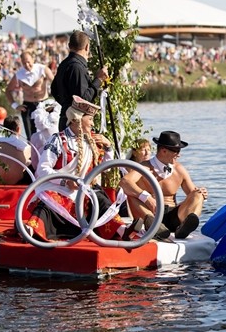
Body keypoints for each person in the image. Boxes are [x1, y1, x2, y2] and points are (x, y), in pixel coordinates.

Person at [24, 96, 142, 241]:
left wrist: (108, 147)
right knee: (49, 202)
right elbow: (42, 169)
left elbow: (105, 168)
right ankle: (31, 230)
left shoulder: (93, 141)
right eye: (90, 119)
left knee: (101, 199)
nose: (93, 124)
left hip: (85, 189)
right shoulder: (58, 140)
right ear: (77, 119)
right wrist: (65, 182)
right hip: (60, 188)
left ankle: (123, 231)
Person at [120, 131, 207, 240]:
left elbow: (192, 194)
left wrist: (201, 193)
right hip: (150, 214)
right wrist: (146, 198)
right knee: (131, 193)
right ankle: (153, 225)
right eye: (176, 151)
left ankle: (185, 227)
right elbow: (124, 182)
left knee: (197, 195)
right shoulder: (144, 167)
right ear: (164, 151)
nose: (179, 154)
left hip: (173, 217)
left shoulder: (179, 169)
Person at [50, 31, 109, 129]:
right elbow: (82, 101)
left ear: (69, 46)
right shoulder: (76, 67)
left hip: (66, 119)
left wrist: (66, 105)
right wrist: (98, 80)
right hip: (76, 124)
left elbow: (54, 90)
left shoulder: (64, 64)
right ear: (87, 47)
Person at [5, 51, 54, 137]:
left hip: (44, 103)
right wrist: (15, 105)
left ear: (33, 59)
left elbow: (55, 83)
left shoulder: (42, 69)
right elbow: (8, 90)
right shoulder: (19, 75)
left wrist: (56, 101)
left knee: (49, 133)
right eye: (24, 63)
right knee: (31, 135)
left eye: (28, 62)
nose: (27, 65)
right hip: (28, 105)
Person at [0, 115, 33, 185]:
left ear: (3, 128)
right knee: (30, 163)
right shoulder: (25, 146)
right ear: (18, 129)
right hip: (16, 181)